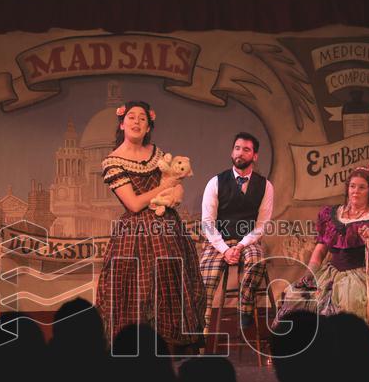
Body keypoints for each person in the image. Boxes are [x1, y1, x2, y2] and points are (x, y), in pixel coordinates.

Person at [95, 100, 206, 349]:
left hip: (166, 226)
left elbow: (173, 181)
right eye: (131, 117)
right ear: (122, 124)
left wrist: (175, 188)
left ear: (148, 127)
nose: (136, 122)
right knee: (135, 286)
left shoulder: (157, 153)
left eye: (142, 118)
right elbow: (133, 204)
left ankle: (172, 343)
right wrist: (164, 187)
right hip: (135, 232)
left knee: (172, 276)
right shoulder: (113, 162)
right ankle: (135, 345)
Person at [274, 166, 369, 361]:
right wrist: (310, 275)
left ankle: (353, 359)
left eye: (362, 187)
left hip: (363, 273)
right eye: (352, 186)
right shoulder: (332, 215)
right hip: (331, 273)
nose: (355, 191)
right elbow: (320, 250)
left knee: (352, 304)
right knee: (298, 298)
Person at [199, 132, 273, 330]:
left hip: (248, 240)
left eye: (246, 149)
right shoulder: (215, 182)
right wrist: (225, 250)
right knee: (205, 280)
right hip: (218, 241)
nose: (240, 153)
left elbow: (262, 225)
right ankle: (199, 333)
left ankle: (245, 306)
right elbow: (207, 222)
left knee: (256, 261)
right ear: (233, 152)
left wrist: (240, 246)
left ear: (254, 156)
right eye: (237, 148)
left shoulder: (265, 186)